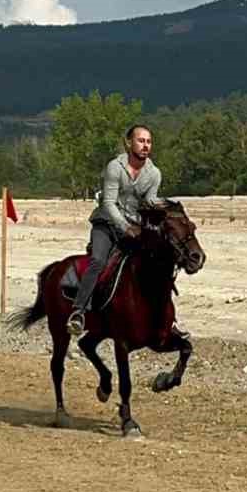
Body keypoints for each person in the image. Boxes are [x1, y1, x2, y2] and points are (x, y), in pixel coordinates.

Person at [64, 124, 161, 336]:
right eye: (141, 141)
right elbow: (108, 203)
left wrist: (164, 209)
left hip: (134, 227)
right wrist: (126, 227)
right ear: (129, 143)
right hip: (106, 224)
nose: (145, 145)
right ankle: (78, 311)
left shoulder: (154, 174)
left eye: (148, 141)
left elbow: (150, 202)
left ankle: (162, 317)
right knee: (98, 260)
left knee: (153, 262)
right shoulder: (114, 167)